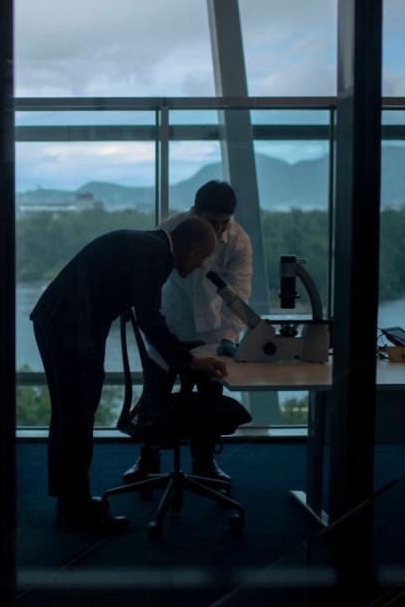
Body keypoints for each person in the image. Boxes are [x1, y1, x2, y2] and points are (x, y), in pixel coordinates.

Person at [30, 217, 229, 531]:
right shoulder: (156, 256)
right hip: (73, 327)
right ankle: (75, 507)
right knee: (78, 416)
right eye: (201, 258)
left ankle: (68, 498)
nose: (199, 267)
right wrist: (188, 361)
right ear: (191, 250)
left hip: (56, 320)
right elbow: (150, 319)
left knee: (68, 415)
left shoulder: (145, 244)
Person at [122, 180, 253, 487]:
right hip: (170, 325)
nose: (219, 231)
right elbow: (150, 285)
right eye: (212, 222)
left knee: (209, 400)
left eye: (225, 223)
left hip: (212, 330)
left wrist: (229, 338)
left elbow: (241, 294)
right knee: (154, 395)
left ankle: (204, 462)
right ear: (195, 212)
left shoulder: (239, 241)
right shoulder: (170, 231)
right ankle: (149, 457)